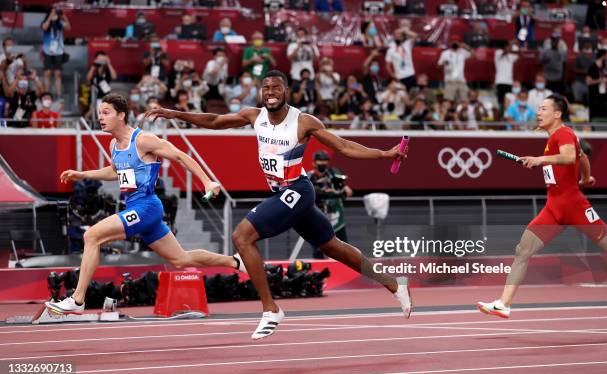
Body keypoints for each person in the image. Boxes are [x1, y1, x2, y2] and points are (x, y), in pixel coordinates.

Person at [144, 70, 413, 340]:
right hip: (285, 193)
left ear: (286, 91)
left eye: (276, 87)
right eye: (266, 88)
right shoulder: (254, 115)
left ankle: (270, 309)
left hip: (297, 189)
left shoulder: (303, 122)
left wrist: (384, 153)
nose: (270, 92)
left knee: (242, 236)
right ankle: (394, 285)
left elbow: (342, 146)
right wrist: (175, 113)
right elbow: (214, 120)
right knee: (335, 248)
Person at [45, 93, 246, 315]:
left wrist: (207, 181)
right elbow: (115, 170)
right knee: (181, 259)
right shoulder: (114, 144)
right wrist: (82, 174)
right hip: (137, 209)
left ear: (121, 115)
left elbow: (180, 156)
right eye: (99, 113)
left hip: (146, 207)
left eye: (105, 113)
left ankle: (78, 299)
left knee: (92, 236)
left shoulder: (142, 140)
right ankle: (235, 261)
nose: (100, 117)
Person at [477, 94, 607, 319]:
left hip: (574, 206)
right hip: (553, 208)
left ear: (557, 114)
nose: (538, 113)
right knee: (522, 250)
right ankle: (503, 304)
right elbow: (582, 157)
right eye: (538, 109)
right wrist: (586, 178)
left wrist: (540, 160)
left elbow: (570, 157)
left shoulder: (564, 133)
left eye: (543, 109)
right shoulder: (553, 139)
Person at [308, 151, 352, 258]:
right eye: (320, 161)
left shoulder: (334, 174)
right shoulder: (308, 177)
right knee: (318, 250)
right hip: (317, 218)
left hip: (336, 218)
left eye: (325, 161)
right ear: (314, 163)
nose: (323, 163)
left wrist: (339, 191)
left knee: (343, 248)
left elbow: (348, 192)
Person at [41, 5, 70, 98]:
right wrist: (50, 16)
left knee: (58, 74)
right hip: (47, 50)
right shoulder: (46, 21)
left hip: (58, 51)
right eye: (53, 11)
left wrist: (63, 16)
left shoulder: (60, 23)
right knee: (47, 73)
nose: (55, 13)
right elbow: (44, 27)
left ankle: (58, 95)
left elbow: (68, 28)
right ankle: (46, 95)